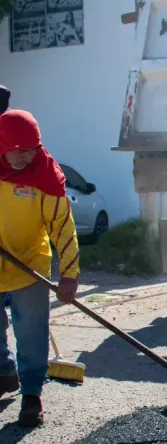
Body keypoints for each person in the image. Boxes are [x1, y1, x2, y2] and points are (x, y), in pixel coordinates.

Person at [0, 99, 79, 426]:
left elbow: (62, 227)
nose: (27, 157)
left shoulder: (45, 175)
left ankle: (32, 393)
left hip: (29, 263)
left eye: (32, 149)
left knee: (31, 331)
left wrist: (69, 275)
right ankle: (4, 372)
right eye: (19, 151)